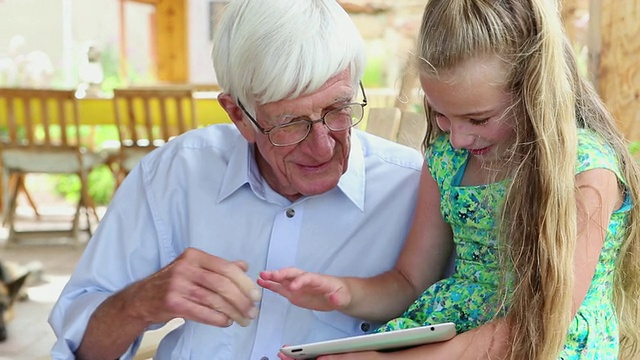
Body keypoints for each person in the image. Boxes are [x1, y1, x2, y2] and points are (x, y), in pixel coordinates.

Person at [259, 0, 640, 359]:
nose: (456, 138)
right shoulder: (447, 160)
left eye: (478, 119)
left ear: (535, 90)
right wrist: (343, 293)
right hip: (446, 344)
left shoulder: (585, 170)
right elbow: (409, 281)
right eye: (440, 114)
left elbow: (539, 325)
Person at [47, 0, 426, 359]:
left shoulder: (415, 191)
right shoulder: (176, 174)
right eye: (290, 123)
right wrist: (140, 303)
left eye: (338, 110)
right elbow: (80, 349)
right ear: (239, 116)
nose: (323, 147)